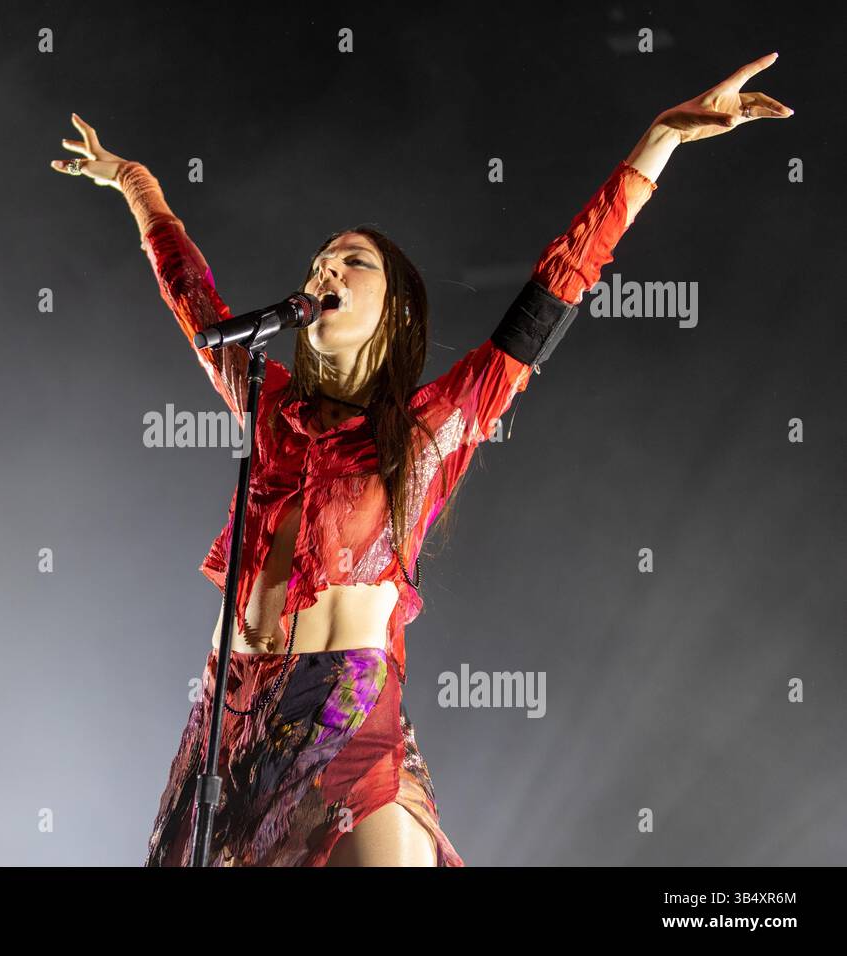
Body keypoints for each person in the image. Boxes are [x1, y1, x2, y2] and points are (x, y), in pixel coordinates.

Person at [51, 54, 791, 867]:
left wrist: (660, 140)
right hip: (227, 717)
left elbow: (557, 287)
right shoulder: (266, 403)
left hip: (343, 711)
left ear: (395, 308)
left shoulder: (433, 427)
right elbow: (189, 292)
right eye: (319, 261)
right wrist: (135, 183)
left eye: (351, 261)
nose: (325, 268)